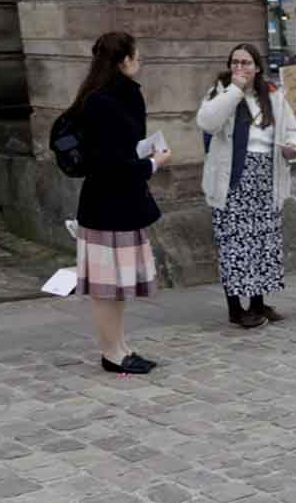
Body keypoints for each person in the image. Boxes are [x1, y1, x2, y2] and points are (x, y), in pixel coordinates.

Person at [71, 32, 170, 374]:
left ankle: (119, 346)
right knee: (106, 287)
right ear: (124, 60)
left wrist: (146, 157)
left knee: (117, 286)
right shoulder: (102, 101)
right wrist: (153, 163)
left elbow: (124, 149)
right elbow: (109, 163)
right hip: (105, 206)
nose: (139, 60)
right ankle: (111, 353)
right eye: (136, 56)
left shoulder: (120, 95)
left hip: (121, 203)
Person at [197, 43, 296, 328]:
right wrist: (234, 90)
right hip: (233, 179)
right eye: (234, 62)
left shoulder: (273, 95)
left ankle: (258, 302)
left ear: (257, 67)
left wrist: (293, 147)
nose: (239, 67)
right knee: (234, 244)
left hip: (265, 178)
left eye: (245, 63)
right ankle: (235, 309)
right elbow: (207, 122)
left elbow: (293, 131)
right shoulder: (220, 92)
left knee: (261, 242)